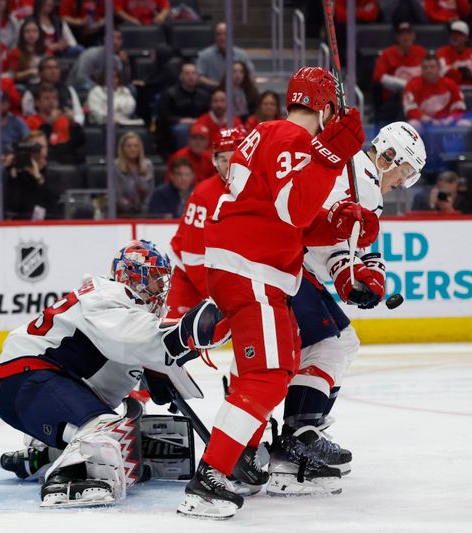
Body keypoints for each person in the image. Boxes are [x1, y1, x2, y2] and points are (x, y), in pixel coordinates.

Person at [176, 66, 373, 519]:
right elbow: (294, 205)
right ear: (326, 110)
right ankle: (209, 477)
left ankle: (227, 459)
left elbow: (289, 218)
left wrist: (338, 222)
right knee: (266, 375)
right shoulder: (292, 139)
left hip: (247, 267)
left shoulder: (267, 133)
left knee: (276, 368)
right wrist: (330, 153)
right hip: (252, 271)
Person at [0, 239, 227, 507]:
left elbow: (146, 351)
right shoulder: (111, 296)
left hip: (36, 388)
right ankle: (67, 479)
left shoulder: (120, 305)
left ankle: (47, 454)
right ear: (130, 275)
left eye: (163, 281)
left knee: (122, 430)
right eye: (153, 280)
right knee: (108, 434)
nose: (160, 289)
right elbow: (137, 339)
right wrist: (188, 334)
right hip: (31, 379)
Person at [277, 121, 426, 496]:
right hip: (289, 269)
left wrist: (370, 273)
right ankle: (296, 440)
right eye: (405, 171)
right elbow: (325, 235)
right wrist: (349, 275)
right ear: (390, 156)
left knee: (341, 342)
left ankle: (302, 430)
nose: (403, 181)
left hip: (293, 267)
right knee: (332, 344)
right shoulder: (361, 179)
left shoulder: (359, 173)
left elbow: (359, 242)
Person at [165, 128, 246, 319]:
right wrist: (215, 297)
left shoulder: (256, 187)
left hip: (221, 272)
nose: (229, 165)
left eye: (234, 158)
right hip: (185, 273)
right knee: (177, 334)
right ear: (215, 161)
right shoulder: (204, 193)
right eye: (223, 159)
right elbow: (192, 255)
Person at [372, 21, 428, 124]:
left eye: (409, 34)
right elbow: (378, 76)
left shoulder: (421, 52)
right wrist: (407, 85)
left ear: (414, 36)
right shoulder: (387, 54)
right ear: (397, 37)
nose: (406, 37)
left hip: (418, 96)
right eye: (402, 34)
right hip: (394, 99)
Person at [403, 54, 470, 131]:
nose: (428, 70)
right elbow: (410, 110)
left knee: (465, 124)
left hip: (447, 122)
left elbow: (459, 107)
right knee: (412, 124)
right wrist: (429, 121)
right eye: (425, 67)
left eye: (432, 67)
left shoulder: (451, 84)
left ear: (439, 68)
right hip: (423, 124)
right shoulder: (412, 85)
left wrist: (448, 120)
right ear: (421, 69)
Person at [156, 62, 210, 154]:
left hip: (199, 124)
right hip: (176, 127)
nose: (191, 76)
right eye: (187, 73)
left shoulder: (204, 95)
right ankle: (185, 158)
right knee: (182, 130)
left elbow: (208, 115)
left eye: (194, 73)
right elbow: (163, 117)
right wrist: (180, 120)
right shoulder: (169, 94)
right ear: (181, 76)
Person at [25, 84, 86, 165]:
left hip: (66, 162)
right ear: (37, 102)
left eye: (54, 98)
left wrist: (73, 123)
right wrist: (49, 123)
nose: (51, 101)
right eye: (47, 98)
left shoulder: (64, 120)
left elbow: (79, 142)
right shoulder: (30, 122)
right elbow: (37, 146)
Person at [5, 129, 56, 219]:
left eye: (41, 147)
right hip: (22, 224)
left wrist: (38, 177)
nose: (38, 151)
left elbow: (54, 203)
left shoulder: (55, 172)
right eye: (35, 147)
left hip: (48, 224)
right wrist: (13, 176)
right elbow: (12, 207)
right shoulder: (19, 173)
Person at [21, 57, 85, 124]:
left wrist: (73, 118)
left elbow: (79, 115)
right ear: (40, 72)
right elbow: (28, 115)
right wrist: (49, 121)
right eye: (49, 68)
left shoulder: (68, 89)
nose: (53, 71)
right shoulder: (31, 92)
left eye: (56, 68)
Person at [196, 22, 256, 89]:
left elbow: (251, 76)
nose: (222, 37)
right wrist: (220, 85)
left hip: (237, 92)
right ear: (215, 37)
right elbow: (199, 77)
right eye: (218, 34)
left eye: (225, 34)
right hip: (213, 93)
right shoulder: (205, 55)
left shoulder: (242, 54)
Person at [437, 20, 472, 88]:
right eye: (453, 33)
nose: (454, 37)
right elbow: (444, 71)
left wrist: (469, 74)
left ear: (466, 38)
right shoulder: (442, 52)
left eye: (459, 34)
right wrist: (463, 75)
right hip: (451, 90)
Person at [114, 131, 154, 216]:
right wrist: (131, 209)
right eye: (129, 146)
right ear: (122, 148)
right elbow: (117, 195)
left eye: (136, 146)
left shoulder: (148, 166)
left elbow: (151, 193)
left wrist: (144, 209)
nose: (132, 149)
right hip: (122, 214)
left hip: (145, 213)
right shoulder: (115, 167)